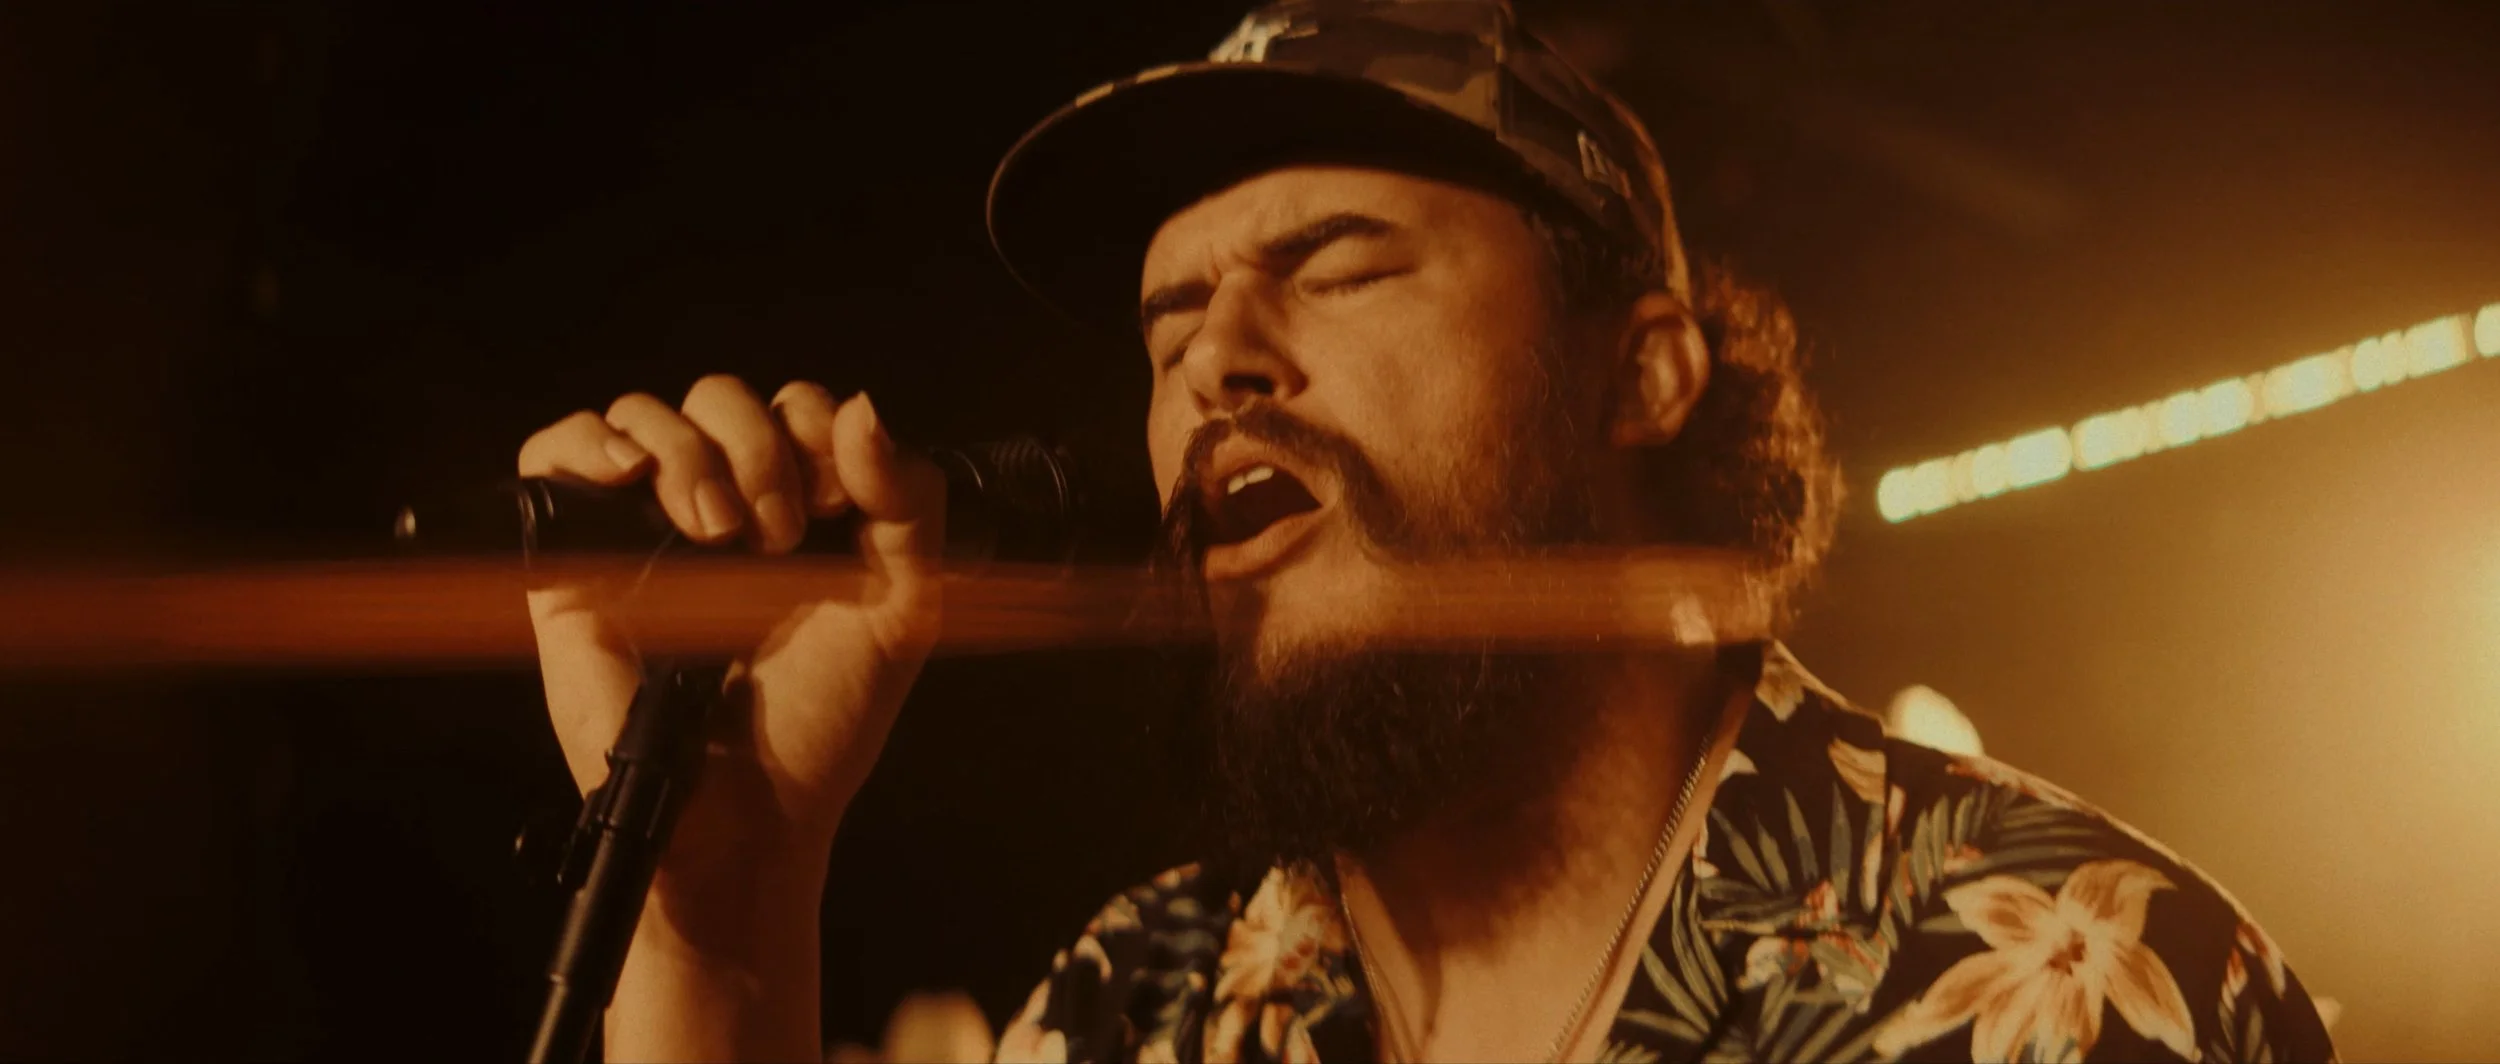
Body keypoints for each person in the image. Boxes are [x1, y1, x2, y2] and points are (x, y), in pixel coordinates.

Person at [513, 1, 2338, 1060]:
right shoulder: (1144, 999)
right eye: (1167, 325)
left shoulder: (2063, 986)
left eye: (1336, 270)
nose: (1219, 359)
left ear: (1640, 374)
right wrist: (723, 912)